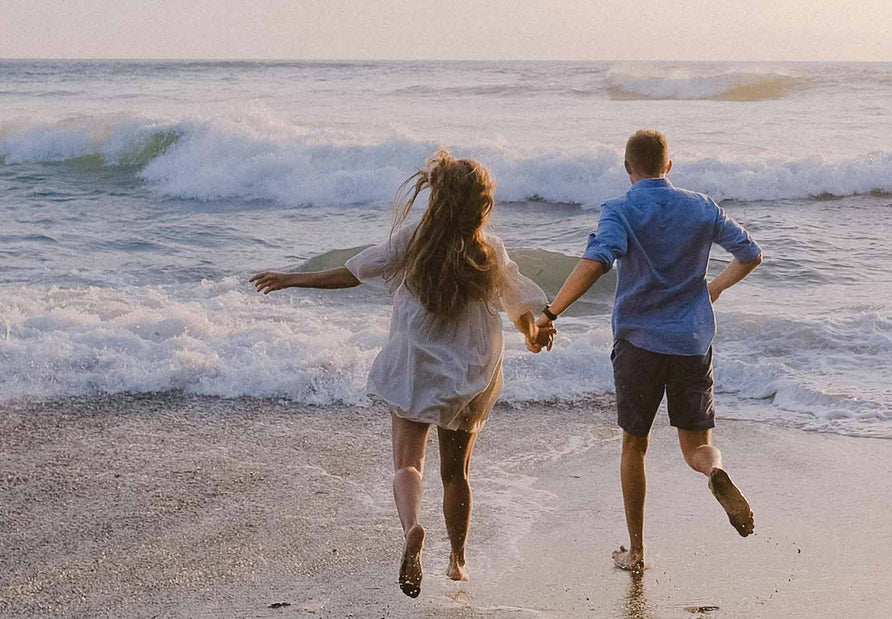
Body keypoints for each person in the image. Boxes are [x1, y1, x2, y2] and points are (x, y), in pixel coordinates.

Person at [250, 151, 554, 598]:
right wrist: (532, 333)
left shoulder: (414, 240)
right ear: (481, 204)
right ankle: (457, 561)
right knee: (456, 473)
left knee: (408, 461)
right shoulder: (489, 249)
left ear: (438, 197)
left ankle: (413, 526)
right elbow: (519, 303)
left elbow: (353, 272)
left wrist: (292, 278)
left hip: (416, 364)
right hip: (469, 371)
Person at [534, 130, 762, 574]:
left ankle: (637, 552)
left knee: (635, 447)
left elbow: (597, 260)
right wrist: (711, 288)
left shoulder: (620, 209)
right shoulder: (701, 206)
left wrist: (551, 313)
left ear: (627, 167)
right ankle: (715, 472)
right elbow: (751, 254)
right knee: (697, 446)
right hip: (691, 342)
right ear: (669, 167)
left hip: (638, 343)